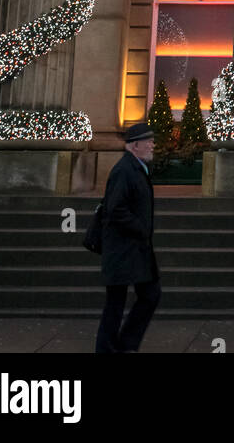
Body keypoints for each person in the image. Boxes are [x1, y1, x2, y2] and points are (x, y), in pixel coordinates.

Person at [95, 122, 160, 354]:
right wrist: (140, 228)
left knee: (149, 295)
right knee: (116, 303)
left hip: (134, 249)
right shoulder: (125, 170)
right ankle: (110, 349)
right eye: (148, 141)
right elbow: (115, 209)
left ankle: (124, 345)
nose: (153, 144)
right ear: (134, 146)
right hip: (123, 249)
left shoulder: (136, 167)